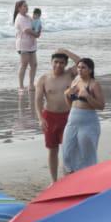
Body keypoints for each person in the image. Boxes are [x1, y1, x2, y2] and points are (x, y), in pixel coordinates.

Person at [35, 51, 76, 182]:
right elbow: (38, 100)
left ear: (66, 64)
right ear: (51, 62)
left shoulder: (70, 74)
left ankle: (69, 177)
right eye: (56, 62)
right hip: (50, 117)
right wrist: (40, 118)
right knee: (52, 150)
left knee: (68, 149)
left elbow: (82, 61)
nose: (58, 65)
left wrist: (65, 51)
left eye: (62, 63)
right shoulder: (44, 78)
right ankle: (54, 181)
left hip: (68, 116)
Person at [62, 56, 104, 172]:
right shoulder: (76, 80)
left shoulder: (94, 85)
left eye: (83, 68)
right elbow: (70, 103)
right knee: (67, 153)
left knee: (87, 154)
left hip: (88, 122)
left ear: (90, 70)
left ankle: (89, 178)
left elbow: (101, 106)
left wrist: (88, 97)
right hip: (73, 120)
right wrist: (67, 95)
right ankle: (71, 177)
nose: (80, 70)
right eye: (79, 67)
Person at [14, 0, 38, 90]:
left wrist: (38, 28)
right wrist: (36, 34)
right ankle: (21, 86)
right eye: (24, 6)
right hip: (23, 44)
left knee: (34, 64)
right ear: (19, 8)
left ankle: (31, 84)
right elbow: (27, 30)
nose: (26, 7)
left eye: (27, 6)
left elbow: (34, 26)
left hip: (31, 44)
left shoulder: (28, 17)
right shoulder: (19, 18)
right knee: (24, 64)